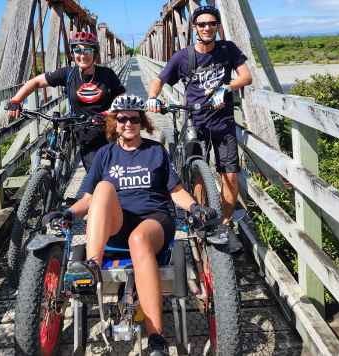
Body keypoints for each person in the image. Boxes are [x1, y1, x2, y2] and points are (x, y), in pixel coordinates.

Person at [50, 95, 216, 356]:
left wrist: (195, 208)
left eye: (134, 118)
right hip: (117, 223)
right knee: (103, 187)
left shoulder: (155, 151)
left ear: (142, 121)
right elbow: (88, 199)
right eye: (122, 118)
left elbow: (175, 190)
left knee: (138, 239)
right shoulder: (105, 155)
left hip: (154, 221)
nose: (128, 123)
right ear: (114, 122)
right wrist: (69, 213)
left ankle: (156, 338)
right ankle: (93, 265)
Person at [147, 5, 252, 231]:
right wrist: (152, 98)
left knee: (230, 176)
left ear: (217, 26)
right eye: (202, 24)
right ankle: (202, 218)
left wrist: (226, 87)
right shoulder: (183, 57)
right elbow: (159, 80)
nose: (207, 28)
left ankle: (223, 224)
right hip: (195, 120)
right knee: (197, 172)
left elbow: (246, 76)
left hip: (223, 122)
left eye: (212, 24)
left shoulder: (228, 49)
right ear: (194, 27)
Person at [7, 31, 125, 171]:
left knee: (110, 174)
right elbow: (36, 82)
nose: (82, 55)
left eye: (87, 50)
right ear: (73, 53)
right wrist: (16, 100)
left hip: (106, 131)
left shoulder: (107, 74)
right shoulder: (68, 74)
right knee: (95, 174)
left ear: (95, 53)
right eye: (77, 50)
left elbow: (121, 96)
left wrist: (108, 113)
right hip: (83, 132)